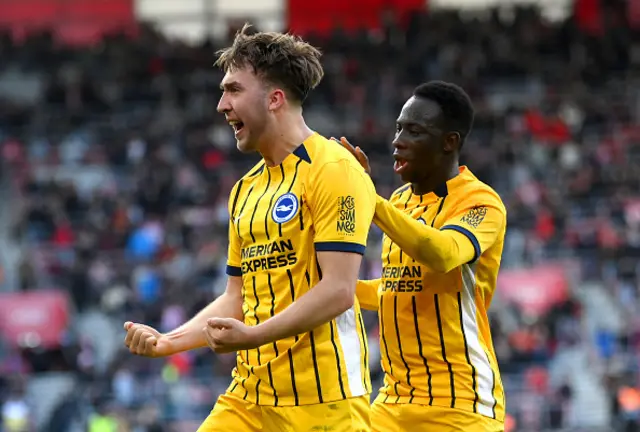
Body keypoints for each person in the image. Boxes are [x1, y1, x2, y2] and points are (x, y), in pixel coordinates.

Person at [123, 24, 376, 432]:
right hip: (248, 400)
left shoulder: (335, 169)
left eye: (234, 90)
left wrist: (254, 336)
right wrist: (169, 341)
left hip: (326, 405)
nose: (222, 105)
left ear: (275, 99)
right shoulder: (245, 189)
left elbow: (339, 291)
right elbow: (236, 298)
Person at [338, 81, 507, 432]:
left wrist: (370, 200)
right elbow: (396, 287)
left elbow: (443, 254)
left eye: (414, 131)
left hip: (460, 403)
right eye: (399, 128)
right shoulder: (399, 202)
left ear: (449, 142)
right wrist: (334, 288)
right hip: (393, 403)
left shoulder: (481, 203)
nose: (398, 140)